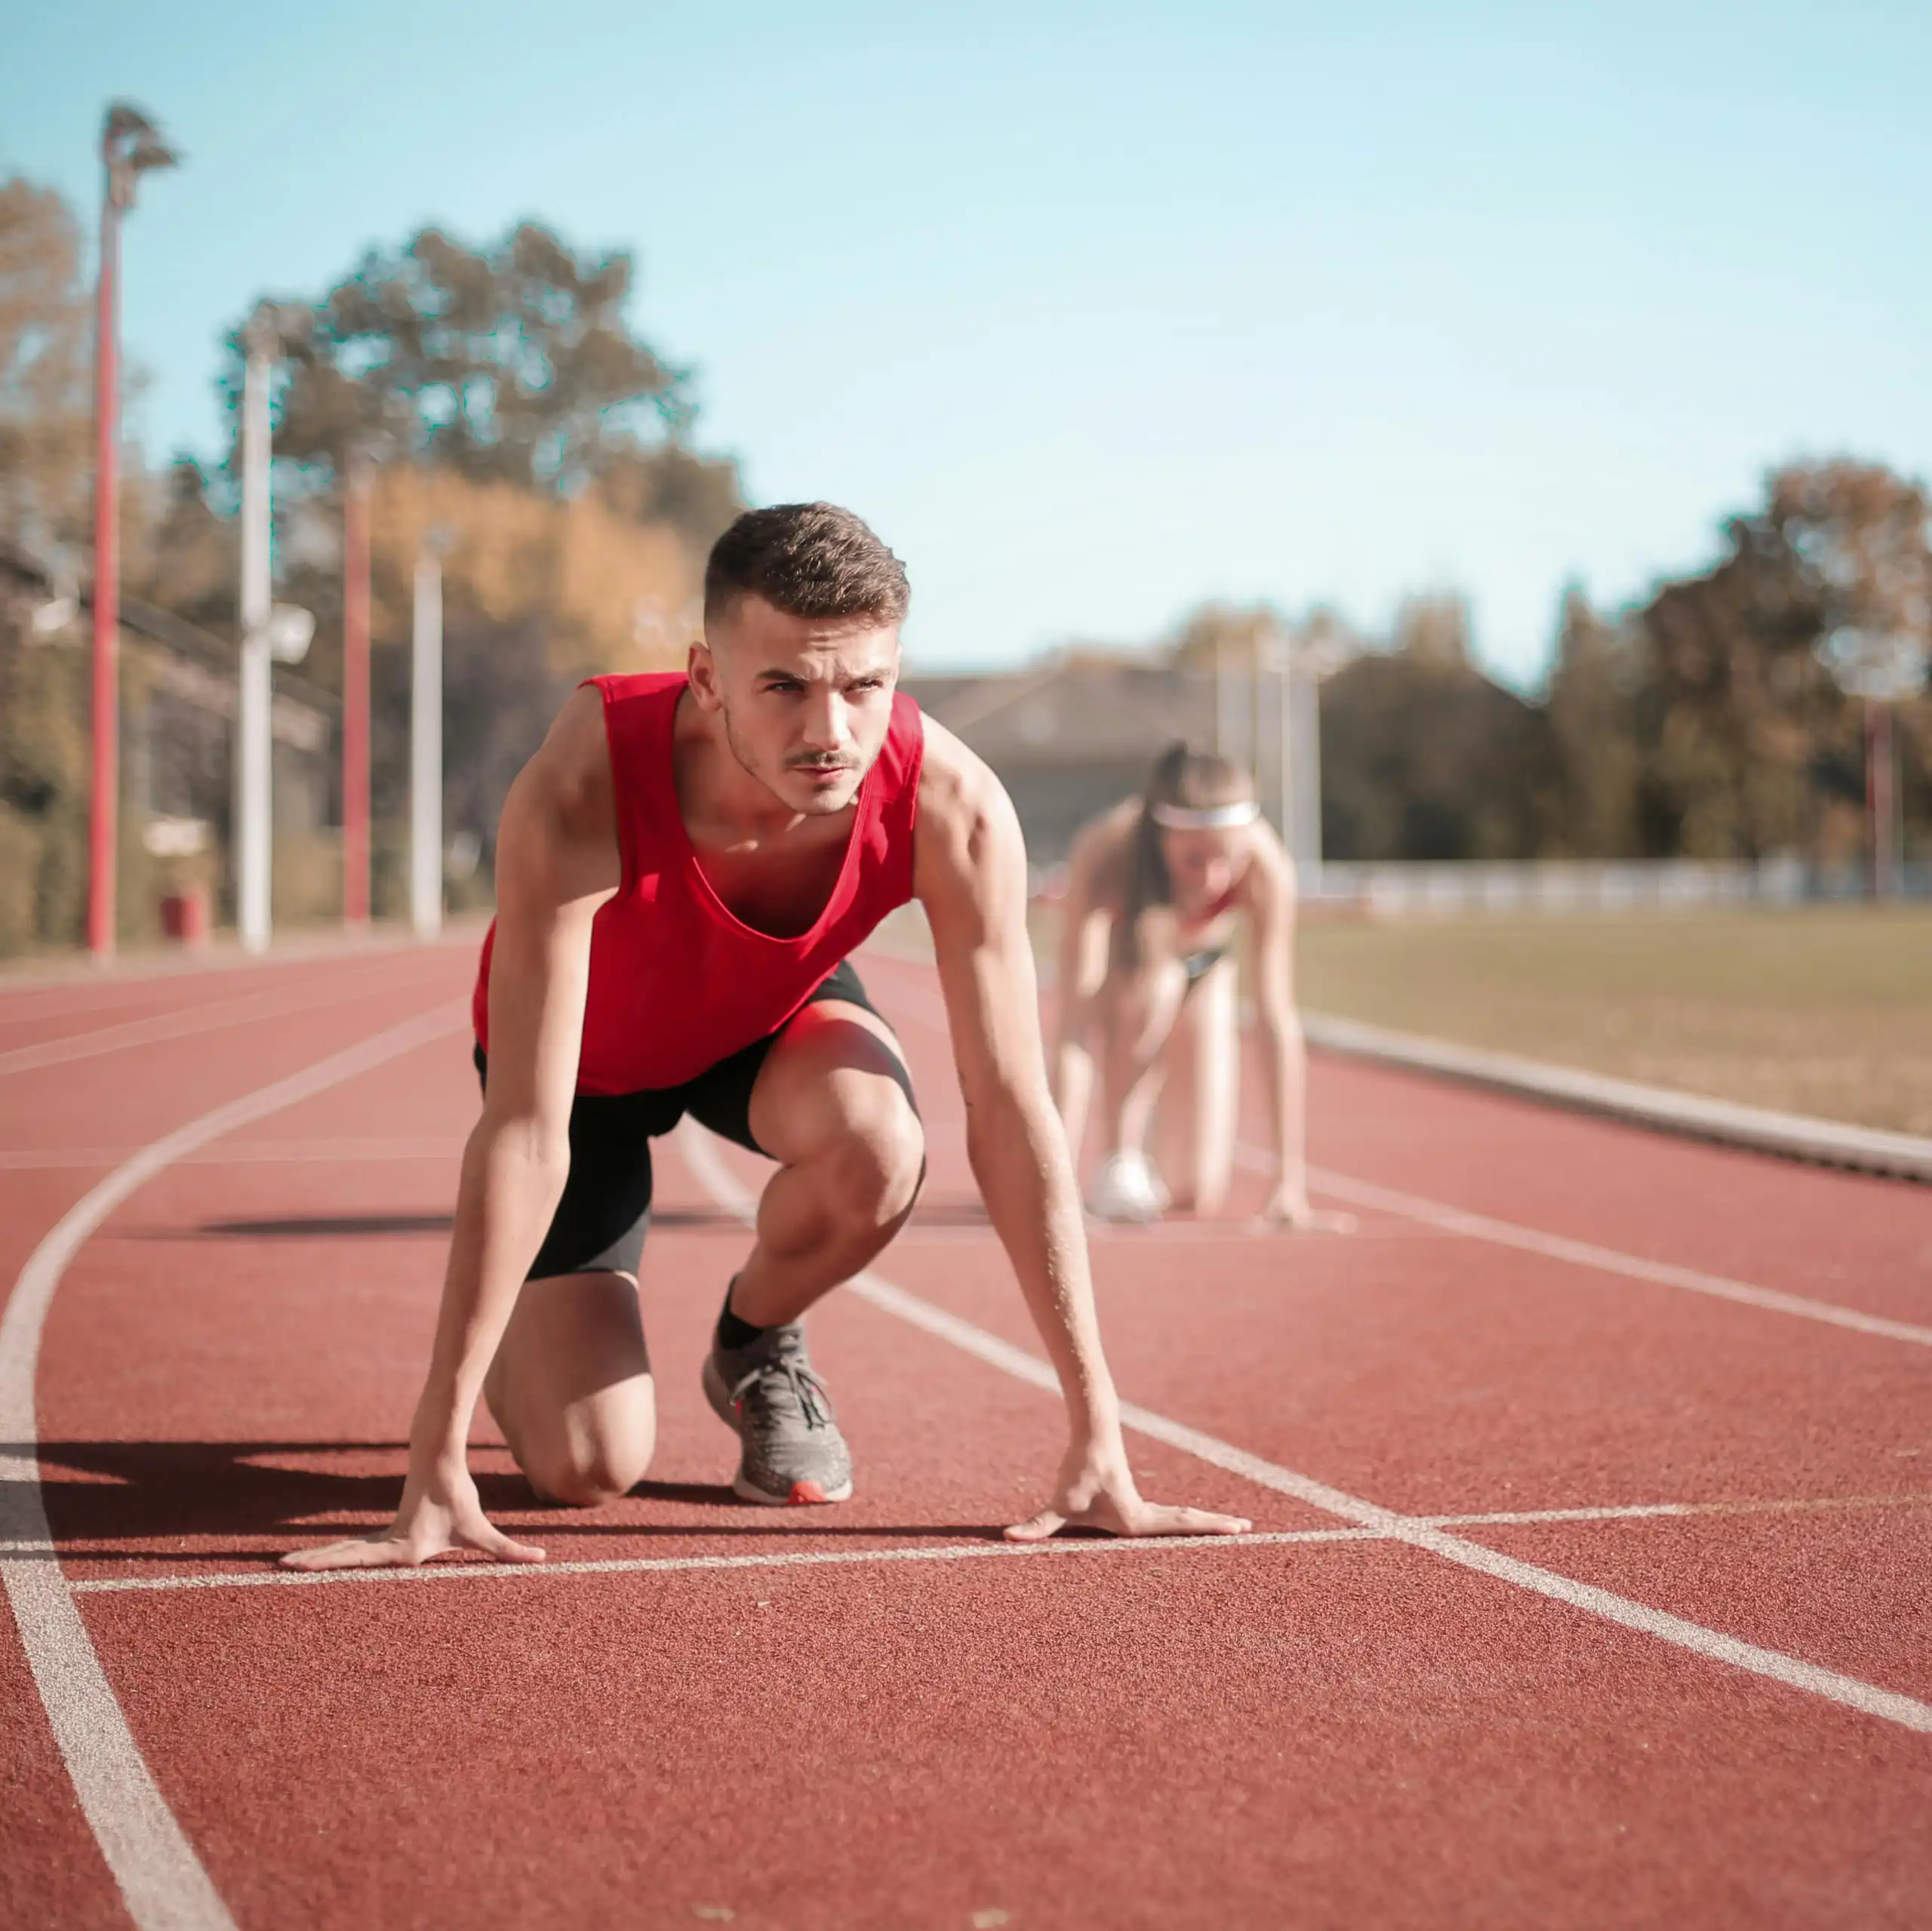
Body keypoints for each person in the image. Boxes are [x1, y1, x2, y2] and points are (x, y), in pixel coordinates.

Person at [285, 504, 1247, 1572]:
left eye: (863, 685)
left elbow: (1014, 1109)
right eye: (783, 685)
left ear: (896, 670)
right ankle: (524, 1318)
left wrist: (1097, 1433)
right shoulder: (584, 778)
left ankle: (754, 1341)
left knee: (884, 1144)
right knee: (587, 1466)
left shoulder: (953, 805)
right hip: (586, 1073)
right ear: (707, 676)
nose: (829, 730)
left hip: (761, 1022)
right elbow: (524, 1125)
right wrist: (434, 1454)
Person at [1051, 743, 1353, 1229]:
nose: (1213, 880)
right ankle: (1119, 1158)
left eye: (1226, 859)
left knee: (1192, 1191)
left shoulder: (1266, 865)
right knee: (1158, 988)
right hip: (1130, 974)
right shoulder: (1107, 850)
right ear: (1160, 836)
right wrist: (1054, 1178)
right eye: (1194, 860)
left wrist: (1288, 1184)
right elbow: (1073, 1028)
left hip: (1208, 970)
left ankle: (1153, 1154)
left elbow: (1275, 1018)